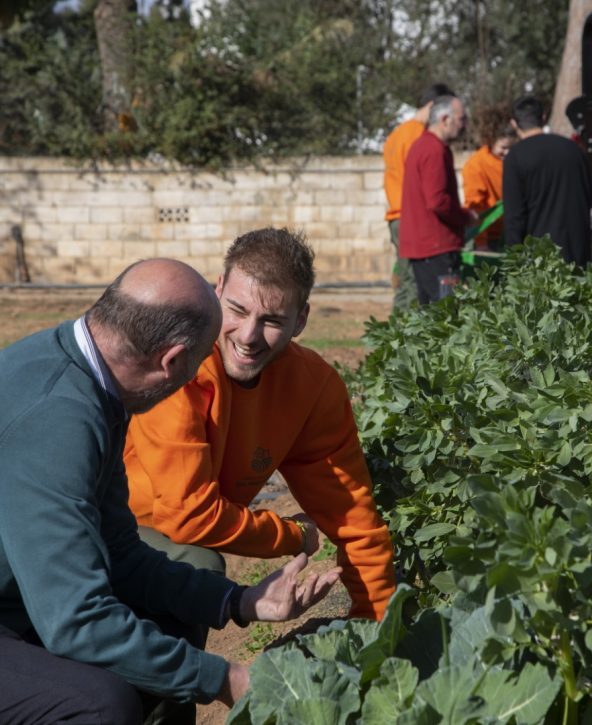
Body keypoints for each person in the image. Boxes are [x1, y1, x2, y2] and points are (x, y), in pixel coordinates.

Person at [0, 258, 341, 724]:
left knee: (169, 624)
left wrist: (237, 602)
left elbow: (119, 553)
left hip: (21, 596)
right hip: (19, 611)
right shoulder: (59, 420)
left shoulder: (90, 379)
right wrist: (227, 680)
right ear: (173, 361)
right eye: (201, 363)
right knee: (101, 703)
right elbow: (75, 621)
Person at [124, 228, 396, 623]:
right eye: (237, 310)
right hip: (107, 521)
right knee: (197, 562)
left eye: (271, 320)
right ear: (217, 290)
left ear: (300, 319)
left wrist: (376, 620)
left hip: (171, 533)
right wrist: (292, 536)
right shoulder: (179, 367)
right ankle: (162, 680)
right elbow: (187, 516)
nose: (248, 336)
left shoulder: (313, 388)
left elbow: (353, 515)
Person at [399, 95, 478, 305]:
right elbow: (438, 201)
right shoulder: (434, 150)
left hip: (426, 248)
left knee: (431, 314)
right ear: (445, 119)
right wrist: (465, 216)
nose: (464, 125)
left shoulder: (422, 146)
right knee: (445, 313)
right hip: (437, 247)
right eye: (461, 119)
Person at [383, 82, 456, 311]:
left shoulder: (396, 134)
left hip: (396, 215)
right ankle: (403, 335)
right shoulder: (420, 136)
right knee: (413, 285)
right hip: (411, 218)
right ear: (435, 106)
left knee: (406, 280)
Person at [503, 95, 592, 267]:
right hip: (578, 256)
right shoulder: (573, 150)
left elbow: (514, 219)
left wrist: (513, 266)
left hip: (541, 265)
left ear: (514, 123)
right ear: (544, 117)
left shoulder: (515, 157)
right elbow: (589, 198)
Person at [462, 105, 518, 249]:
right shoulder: (476, 164)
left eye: (512, 147)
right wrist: (481, 242)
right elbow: (475, 206)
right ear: (491, 141)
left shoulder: (516, 160)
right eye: (503, 148)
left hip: (513, 234)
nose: (507, 153)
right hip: (488, 236)